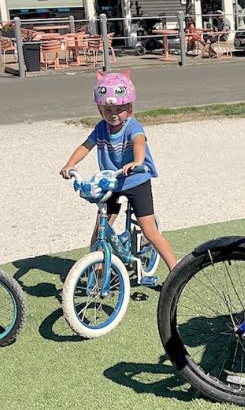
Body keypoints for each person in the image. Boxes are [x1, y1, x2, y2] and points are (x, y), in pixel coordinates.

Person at [59, 71, 177, 275]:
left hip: (136, 180)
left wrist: (137, 161)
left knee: (149, 230)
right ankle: (96, 269)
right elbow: (86, 146)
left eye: (119, 109)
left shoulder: (133, 126)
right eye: (108, 109)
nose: (113, 114)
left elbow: (139, 141)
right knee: (100, 229)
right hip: (111, 183)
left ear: (129, 108)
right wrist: (69, 164)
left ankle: (176, 270)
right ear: (100, 109)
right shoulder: (101, 129)